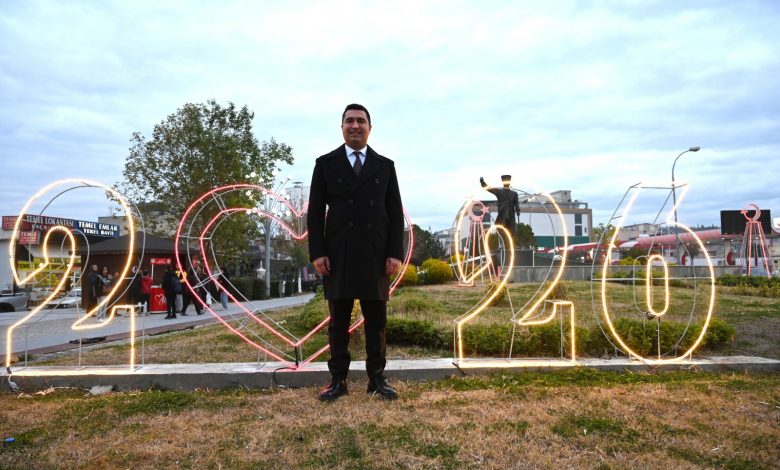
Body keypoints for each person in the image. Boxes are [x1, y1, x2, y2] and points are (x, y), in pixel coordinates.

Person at [307, 103, 404, 401]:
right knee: (338, 324)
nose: (355, 125)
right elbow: (314, 213)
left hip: (376, 254)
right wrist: (317, 253)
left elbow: (395, 212)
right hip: (338, 254)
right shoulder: (325, 164)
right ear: (342, 127)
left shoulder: (385, 166)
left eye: (361, 121)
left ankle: (377, 379)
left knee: (377, 323)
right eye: (349, 120)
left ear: (369, 128)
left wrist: (395, 253)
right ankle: (338, 380)